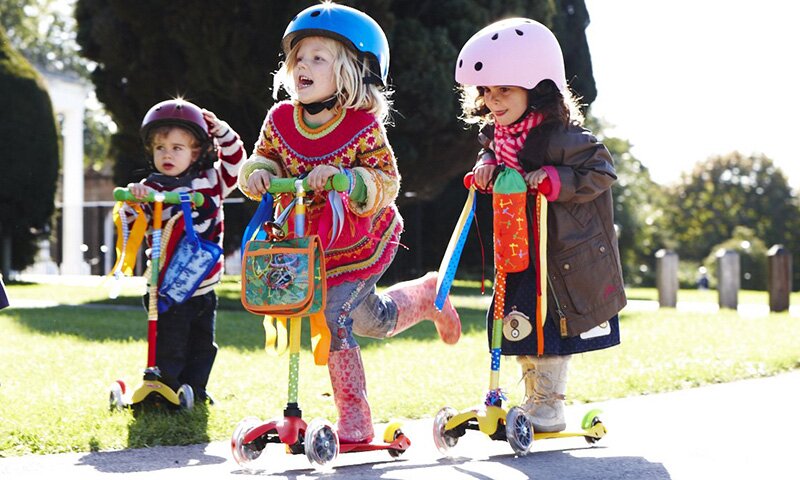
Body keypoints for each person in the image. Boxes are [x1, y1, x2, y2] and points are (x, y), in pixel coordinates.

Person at [237, 2, 461, 443]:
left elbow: (386, 180)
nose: (303, 65)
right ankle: (428, 295)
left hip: (362, 240)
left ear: (352, 72)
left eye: (318, 57)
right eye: (298, 57)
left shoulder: (361, 125)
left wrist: (347, 179)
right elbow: (259, 160)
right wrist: (259, 173)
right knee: (369, 321)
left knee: (335, 314)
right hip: (305, 243)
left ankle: (355, 421)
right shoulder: (280, 119)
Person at [454, 18, 627, 432]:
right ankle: (533, 397)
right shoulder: (498, 135)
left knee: (550, 326)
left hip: (557, 253)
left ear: (537, 87)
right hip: (516, 247)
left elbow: (601, 170)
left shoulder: (561, 135)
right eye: (487, 91)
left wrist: (555, 179)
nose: (494, 101)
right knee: (517, 323)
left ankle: (549, 405)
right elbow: (496, 159)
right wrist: (486, 166)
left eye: (505, 90)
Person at [124, 98, 246, 403]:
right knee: (171, 343)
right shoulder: (152, 187)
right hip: (168, 287)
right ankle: (164, 390)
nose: (167, 154)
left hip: (205, 285)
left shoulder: (213, 181)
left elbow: (237, 163)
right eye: (160, 148)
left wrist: (223, 132)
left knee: (203, 345)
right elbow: (130, 220)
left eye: (177, 148)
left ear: (197, 152)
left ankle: (196, 391)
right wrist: (137, 199)